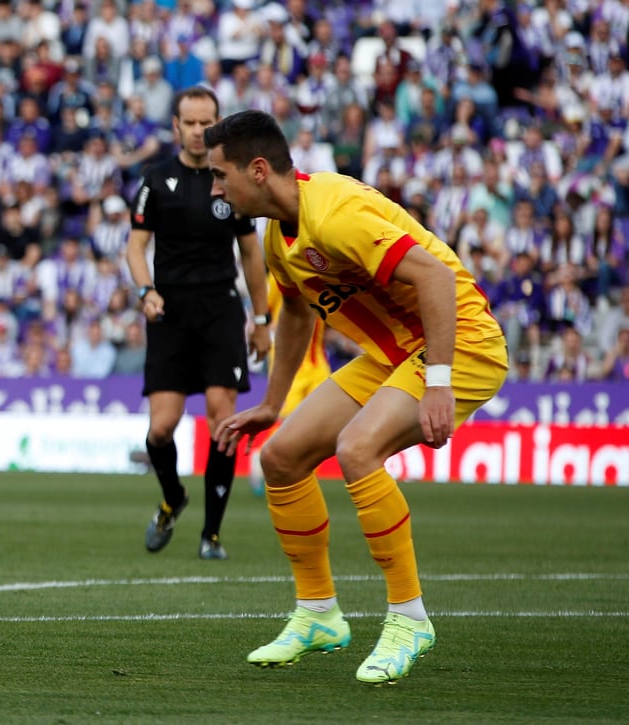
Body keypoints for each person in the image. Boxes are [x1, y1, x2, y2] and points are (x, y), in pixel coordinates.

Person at [206, 110, 507, 684]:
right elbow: (295, 311)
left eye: (221, 175)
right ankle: (318, 614)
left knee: (357, 448)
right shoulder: (278, 234)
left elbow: (437, 280)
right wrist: (272, 404)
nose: (216, 188)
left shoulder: (336, 212)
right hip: (398, 353)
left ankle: (409, 618)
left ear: (259, 169)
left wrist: (438, 382)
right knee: (281, 457)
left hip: (461, 343)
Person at [126, 86, 271, 560]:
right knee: (160, 430)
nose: (196, 131)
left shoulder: (231, 179)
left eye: (205, 122)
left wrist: (262, 318)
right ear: (175, 126)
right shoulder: (155, 178)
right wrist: (146, 291)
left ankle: (211, 535)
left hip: (220, 312)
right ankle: (173, 497)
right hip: (169, 313)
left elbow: (251, 251)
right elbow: (135, 246)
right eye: (188, 122)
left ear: (218, 123)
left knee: (221, 419)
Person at [246, 275, 331, 495]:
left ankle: (301, 471)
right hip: (290, 359)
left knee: (325, 418)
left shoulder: (323, 271)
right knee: (284, 418)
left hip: (317, 360)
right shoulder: (280, 274)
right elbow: (264, 311)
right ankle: (261, 458)